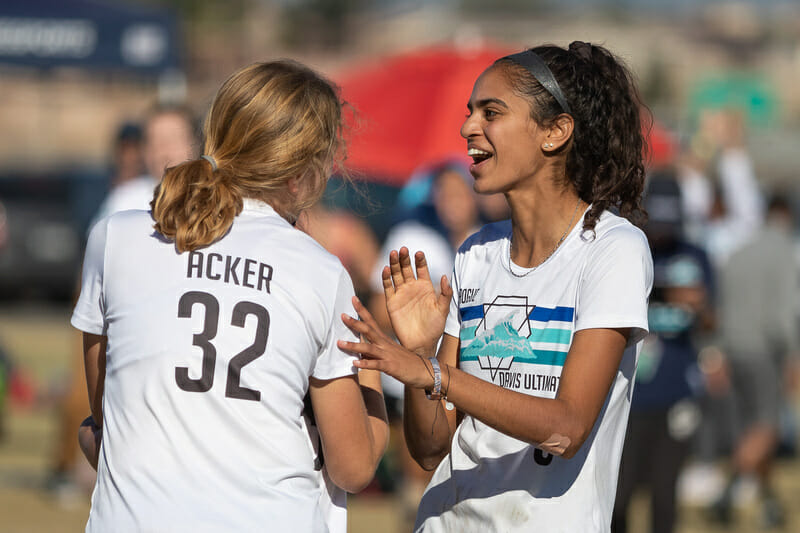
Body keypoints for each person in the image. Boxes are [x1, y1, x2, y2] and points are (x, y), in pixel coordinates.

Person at [338, 41, 654, 532]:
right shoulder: (475, 252)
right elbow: (429, 449)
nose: (467, 128)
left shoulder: (614, 249)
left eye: (491, 112)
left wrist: (433, 375)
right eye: (470, 113)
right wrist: (422, 354)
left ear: (555, 132)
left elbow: (566, 429)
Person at [72, 60, 388, 532]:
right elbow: (355, 467)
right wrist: (377, 359)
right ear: (303, 172)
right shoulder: (321, 272)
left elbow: (105, 418)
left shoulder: (114, 237)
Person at [611, 171, 714, 533]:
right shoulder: (630, 249)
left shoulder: (696, 255)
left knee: (664, 496)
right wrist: (669, 292)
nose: (663, 232)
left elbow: (712, 322)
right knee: (619, 497)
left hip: (676, 395)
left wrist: (700, 308)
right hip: (630, 395)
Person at [709, 194, 800, 529]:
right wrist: (792, 356)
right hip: (764, 350)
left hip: (733, 349)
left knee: (751, 426)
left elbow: (722, 306)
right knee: (768, 426)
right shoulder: (784, 252)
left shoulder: (739, 253)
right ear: (787, 215)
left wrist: (716, 352)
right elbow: (784, 313)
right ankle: (728, 489)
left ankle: (769, 505)